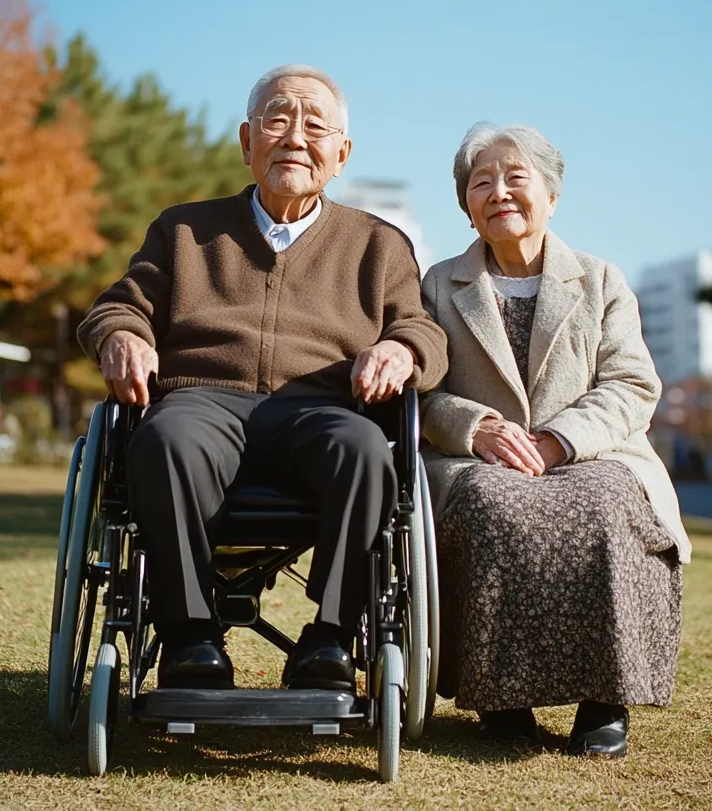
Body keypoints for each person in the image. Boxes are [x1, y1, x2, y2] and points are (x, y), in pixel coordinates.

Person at [77, 65, 447, 692]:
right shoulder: (184, 229)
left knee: (364, 451)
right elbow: (119, 305)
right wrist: (122, 336)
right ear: (247, 142)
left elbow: (424, 329)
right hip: (202, 402)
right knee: (164, 442)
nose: (295, 137)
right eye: (277, 119)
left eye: (314, 125)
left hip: (320, 410)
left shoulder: (379, 243)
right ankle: (190, 635)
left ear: (342, 153)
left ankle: (329, 639)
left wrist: (402, 350)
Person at [420, 122, 691, 757]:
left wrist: (557, 441)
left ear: (552, 194)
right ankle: (503, 698)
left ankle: (605, 698)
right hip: (476, 457)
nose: (499, 192)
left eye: (517, 178)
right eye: (481, 182)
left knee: (603, 505)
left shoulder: (600, 280)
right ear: (465, 203)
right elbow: (420, 391)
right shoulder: (437, 284)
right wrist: (475, 427)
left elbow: (631, 383)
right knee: (490, 504)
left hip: (592, 452)